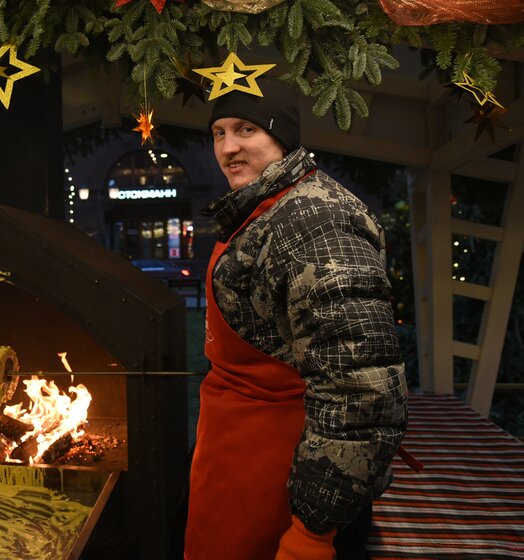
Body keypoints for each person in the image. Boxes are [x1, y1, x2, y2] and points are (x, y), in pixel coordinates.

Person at [184, 77, 408, 560]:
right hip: (242, 454)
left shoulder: (314, 220)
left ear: (281, 136)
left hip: (285, 479)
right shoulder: (266, 211)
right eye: (218, 133)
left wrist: (313, 528)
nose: (229, 147)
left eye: (246, 129)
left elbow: (359, 391)